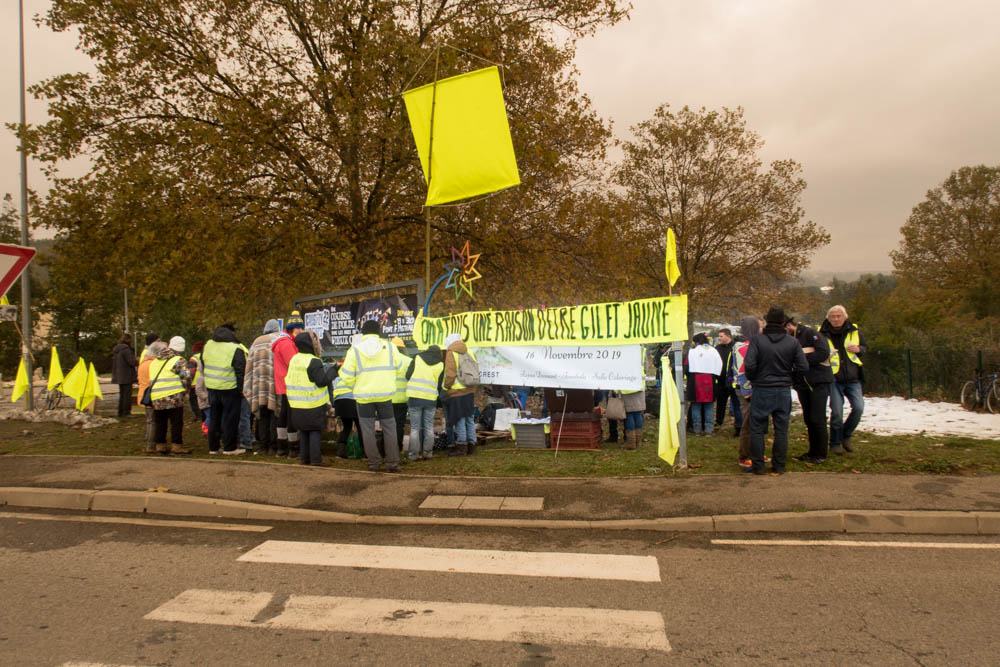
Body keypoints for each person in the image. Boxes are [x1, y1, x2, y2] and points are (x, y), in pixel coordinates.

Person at [744, 306, 808, 475]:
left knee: (757, 429)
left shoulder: (757, 340)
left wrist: (755, 379)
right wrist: (791, 379)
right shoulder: (792, 342)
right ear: (783, 323)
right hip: (782, 390)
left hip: (762, 389)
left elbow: (749, 365)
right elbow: (803, 367)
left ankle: (758, 466)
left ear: (766, 321)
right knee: (781, 430)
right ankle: (779, 466)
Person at [340, 320, 401, 472]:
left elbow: (346, 376)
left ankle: (374, 464)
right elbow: (399, 368)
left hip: (364, 397)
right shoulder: (390, 347)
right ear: (378, 331)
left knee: (367, 430)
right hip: (385, 395)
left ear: (363, 333)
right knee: (389, 428)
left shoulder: (354, 350)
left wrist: (356, 387)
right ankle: (393, 463)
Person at [784, 316, 833, 464]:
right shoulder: (789, 340)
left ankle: (821, 453)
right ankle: (813, 451)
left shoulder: (810, 333)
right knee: (809, 418)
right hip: (802, 383)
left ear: (789, 325)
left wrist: (802, 363)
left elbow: (824, 352)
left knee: (817, 418)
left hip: (818, 381)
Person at [820, 305, 867, 455]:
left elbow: (865, 347)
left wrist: (860, 350)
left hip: (853, 378)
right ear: (828, 319)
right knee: (837, 413)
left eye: (838, 316)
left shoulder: (855, 331)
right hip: (833, 378)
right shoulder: (822, 333)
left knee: (859, 408)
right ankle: (835, 443)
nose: (836, 319)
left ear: (845, 317)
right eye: (833, 316)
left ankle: (846, 435)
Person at [286, 331, 337, 466]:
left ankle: (305, 459)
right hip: (312, 403)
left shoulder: (294, 359)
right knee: (314, 430)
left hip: (296, 403)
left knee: (304, 431)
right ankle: (315, 459)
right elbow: (322, 380)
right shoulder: (313, 361)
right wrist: (334, 370)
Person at [203, 322, 247, 455]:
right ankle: (229, 447)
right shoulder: (235, 348)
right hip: (230, 388)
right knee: (230, 419)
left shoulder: (208, 345)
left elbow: (203, 361)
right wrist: (241, 388)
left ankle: (213, 447)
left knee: (214, 417)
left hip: (212, 387)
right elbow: (240, 370)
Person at [149, 336, 193, 455]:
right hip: (174, 396)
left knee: (160, 423)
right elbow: (187, 377)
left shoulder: (155, 360)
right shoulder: (179, 360)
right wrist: (185, 391)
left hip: (156, 396)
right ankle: (176, 447)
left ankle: (160, 447)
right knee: (176, 422)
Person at [245, 319, 280, 455]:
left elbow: (250, 365)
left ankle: (263, 447)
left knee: (263, 416)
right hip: (274, 382)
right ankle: (273, 446)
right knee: (275, 414)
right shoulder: (279, 339)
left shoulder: (256, 341)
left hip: (259, 384)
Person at [271, 312, 303, 458]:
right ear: (293, 329)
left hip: (283, 382)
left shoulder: (283, 341)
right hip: (289, 383)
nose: (301, 331)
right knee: (289, 416)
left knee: (284, 414)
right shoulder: (287, 343)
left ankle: (281, 446)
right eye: (299, 329)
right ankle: (292, 447)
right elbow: (293, 363)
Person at [442, 332, 478, 456]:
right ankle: (472, 444)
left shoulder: (451, 353)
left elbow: (450, 374)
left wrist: (446, 386)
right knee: (469, 417)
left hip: (457, 391)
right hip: (470, 389)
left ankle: (461, 445)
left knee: (460, 418)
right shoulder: (471, 352)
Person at [405, 344, 444, 461]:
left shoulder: (417, 357)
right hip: (430, 398)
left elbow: (407, 375)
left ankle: (413, 454)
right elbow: (439, 385)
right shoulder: (441, 364)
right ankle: (428, 453)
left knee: (415, 428)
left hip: (415, 397)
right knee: (429, 428)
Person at [733, 316, 759, 466]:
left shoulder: (744, 345)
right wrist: (748, 390)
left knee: (756, 421)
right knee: (748, 422)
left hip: (751, 387)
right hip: (746, 389)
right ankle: (745, 456)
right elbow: (743, 371)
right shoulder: (743, 347)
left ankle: (756, 453)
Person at [687, 333, 722, 435]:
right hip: (710, 379)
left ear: (696, 342)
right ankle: (709, 429)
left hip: (696, 380)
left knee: (696, 405)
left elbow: (687, 367)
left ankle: (697, 429)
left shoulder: (692, 351)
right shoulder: (714, 350)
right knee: (709, 405)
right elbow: (719, 364)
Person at [137, 340, 166, 454]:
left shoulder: (144, 363)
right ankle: (151, 445)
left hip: (143, 395)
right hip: (151, 396)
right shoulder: (153, 364)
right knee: (153, 422)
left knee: (150, 421)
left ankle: (150, 443)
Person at [713, 328, 740, 429]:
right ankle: (719, 422)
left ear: (728, 336)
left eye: (721, 336)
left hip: (732, 380)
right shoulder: (717, 348)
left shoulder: (735, 347)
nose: (719, 338)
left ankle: (738, 425)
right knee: (720, 403)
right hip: (720, 380)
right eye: (719, 336)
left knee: (736, 403)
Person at [390, 337, 411, 458]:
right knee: (399, 425)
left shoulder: (386, 361)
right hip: (403, 398)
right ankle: (398, 448)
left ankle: (388, 449)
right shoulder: (408, 361)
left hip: (388, 398)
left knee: (387, 426)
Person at [111, 332, 138, 418]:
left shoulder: (117, 350)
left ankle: (121, 412)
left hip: (119, 375)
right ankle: (126, 412)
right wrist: (138, 360)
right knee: (127, 395)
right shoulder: (126, 350)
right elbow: (132, 362)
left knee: (122, 394)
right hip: (127, 375)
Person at [621, 382, 646, 450]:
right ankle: (638, 442)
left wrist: (616, 390)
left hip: (627, 389)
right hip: (639, 387)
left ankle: (631, 443)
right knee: (638, 413)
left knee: (629, 414)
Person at [187, 341, 204, 421]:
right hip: (204, 383)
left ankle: (198, 416)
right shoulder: (205, 356)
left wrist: (187, 385)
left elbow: (191, 372)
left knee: (193, 401)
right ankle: (203, 414)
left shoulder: (193, 359)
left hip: (194, 384)